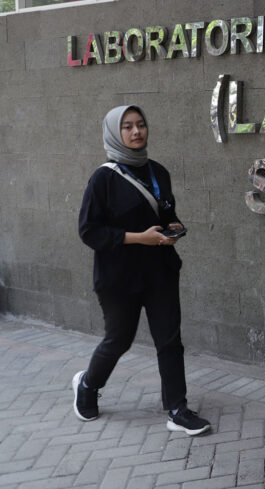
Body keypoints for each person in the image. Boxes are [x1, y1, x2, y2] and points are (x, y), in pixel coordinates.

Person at [73, 105, 211, 436]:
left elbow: (165, 212)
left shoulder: (158, 172)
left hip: (159, 271)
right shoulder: (103, 179)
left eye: (141, 125)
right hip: (119, 276)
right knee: (119, 339)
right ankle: (88, 385)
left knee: (170, 339)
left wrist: (172, 227)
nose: (136, 132)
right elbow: (89, 231)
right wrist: (140, 239)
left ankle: (177, 409)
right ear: (114, 133)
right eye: (127, 127)